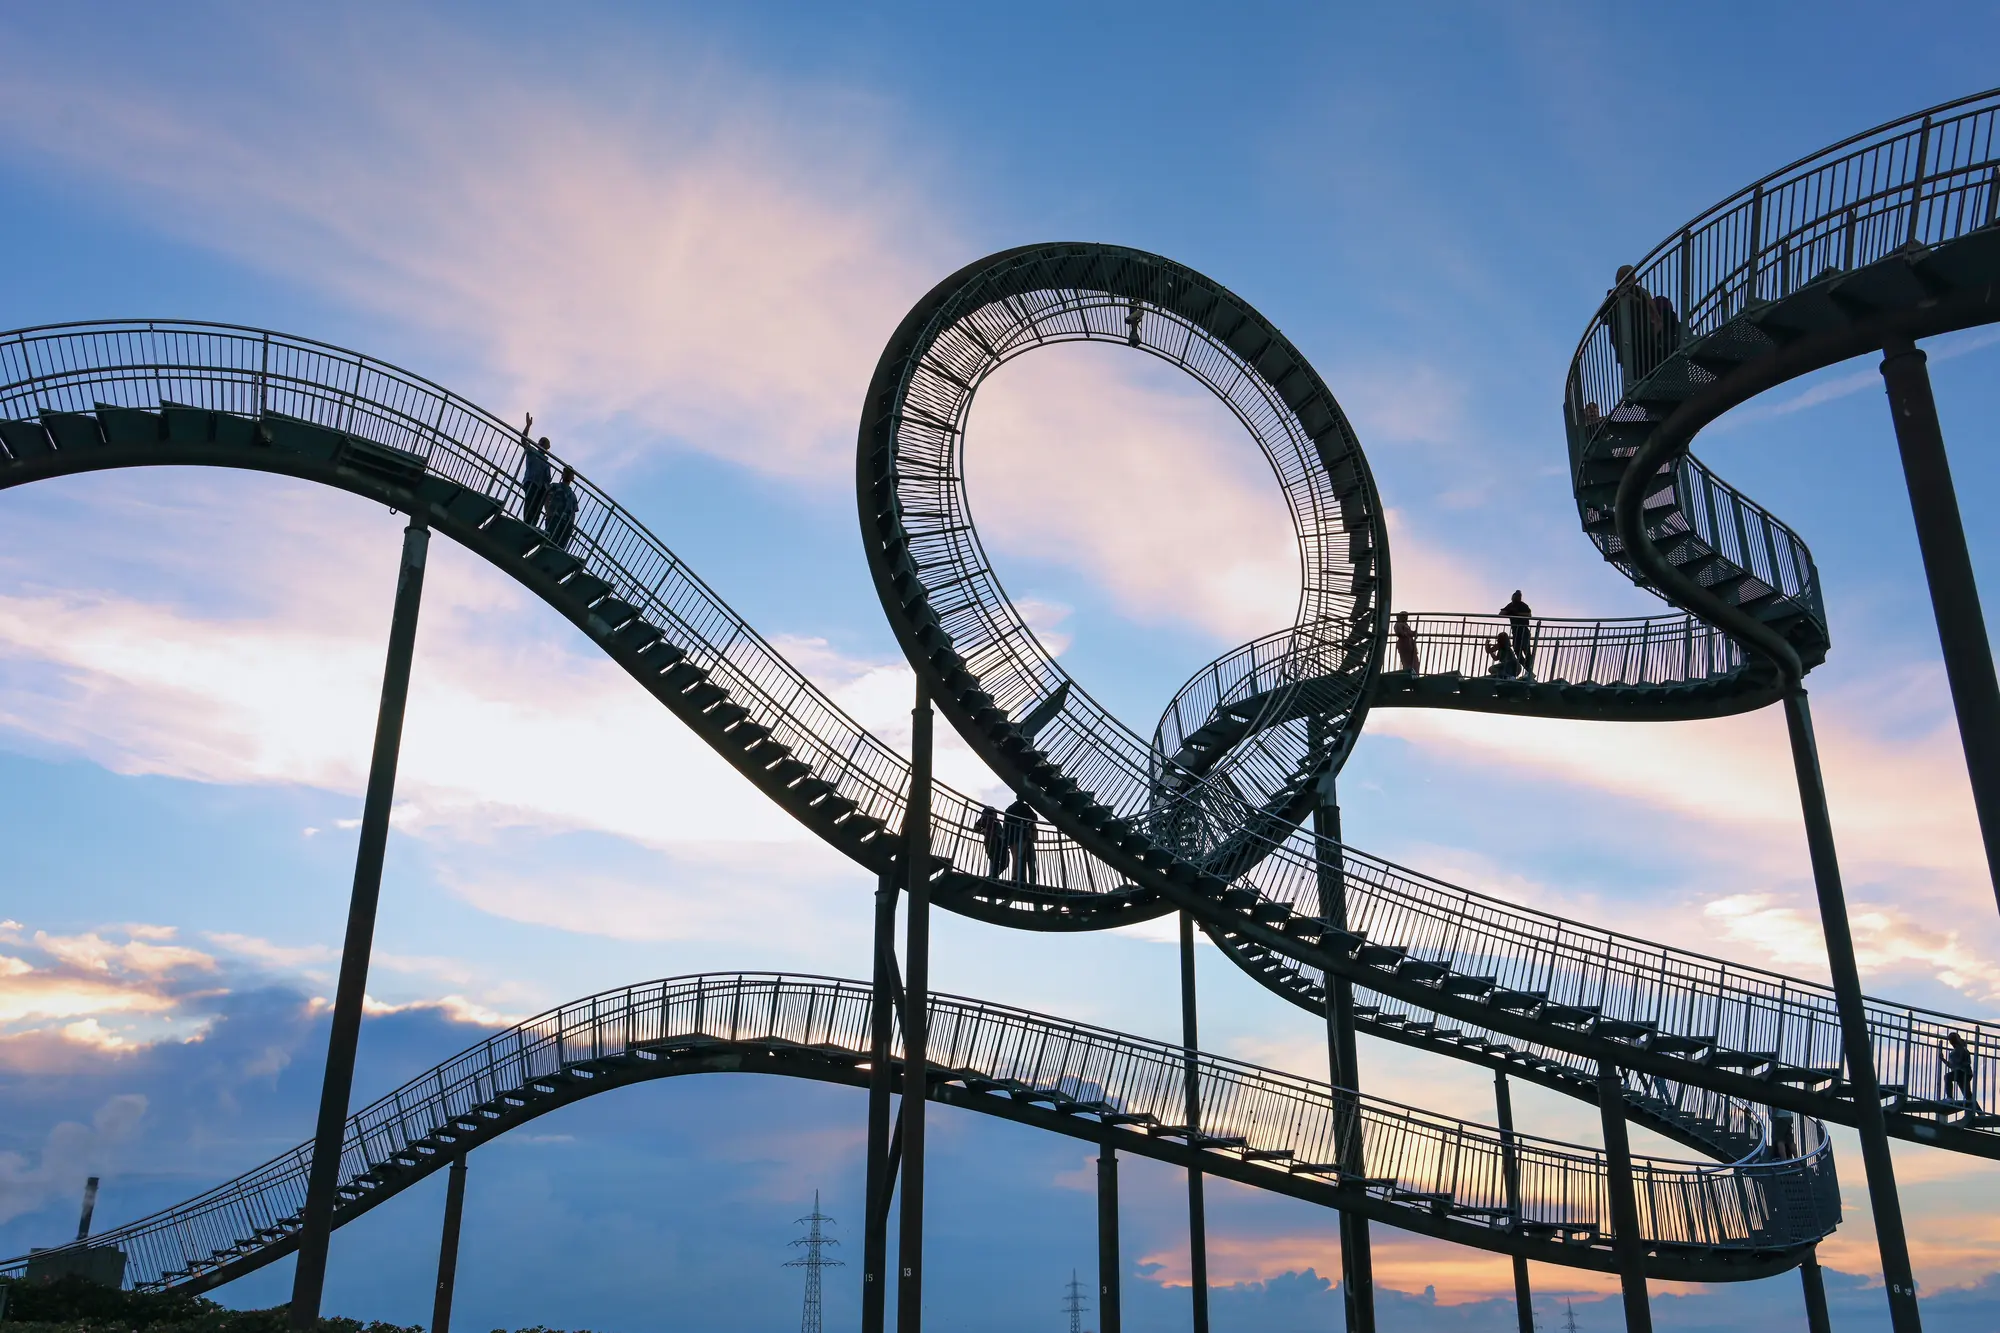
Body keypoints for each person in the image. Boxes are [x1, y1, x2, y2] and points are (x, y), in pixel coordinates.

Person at [520, 414, 551, 528]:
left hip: (541, 488)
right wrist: (528, 426)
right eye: (541, 442)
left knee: (537, 510)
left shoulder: (547, 462)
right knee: (529, 506)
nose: (542, 445)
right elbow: (523, 440)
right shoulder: (532, 451)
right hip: (531, 483)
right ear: (538, 444)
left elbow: (548, 479)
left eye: (545, 443)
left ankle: (531, 526)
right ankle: (527, 525)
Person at [1004, 795, 1039, 886]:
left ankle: (1020, 879)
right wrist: (1029, 823)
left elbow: (1006, 825)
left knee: (1019, 859)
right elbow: (1035, 818)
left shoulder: (1009, 809)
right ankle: (1032, 882)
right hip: (1025, 836)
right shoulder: (1025, 807)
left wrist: (1006, 840)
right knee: (1030, 861)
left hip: (1013, 838)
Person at [1499, 590, 1534, 679]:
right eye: (1515, 596)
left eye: (1518, 596)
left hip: (1524, 631)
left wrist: (1517, 614)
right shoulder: (1510, 605)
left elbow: (1529, 615)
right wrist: (1509, 612)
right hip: (1515, 633)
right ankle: (1529, 670)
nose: (1516, 597)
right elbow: (1501, 614)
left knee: (1526, 652)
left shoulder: (1523, 605)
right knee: (1518, 653)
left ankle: (1529, 671)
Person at [545, 464, 579, 550]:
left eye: (570, 473)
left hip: (566, 523)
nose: (567, 474)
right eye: (566, 472)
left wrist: (571, 524)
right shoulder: (555, 486)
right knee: (549, 543)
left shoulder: (573, 495)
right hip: (554, 519)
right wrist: (548, 512)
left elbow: (573, 512)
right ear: (562, 474)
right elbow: (547, 498)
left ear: (573, 478)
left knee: (560, 548)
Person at [1944, 1031, 1980, 1110]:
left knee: (1947, 1077)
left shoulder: (1961, 1049)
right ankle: (1980, 1113)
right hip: (1961, 1073)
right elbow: (1952, 1065)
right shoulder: (1955, 1051)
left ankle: (1949, 1097)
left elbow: (1959, 1062)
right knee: (1968, 1096)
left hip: (1963, 1072)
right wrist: (1943, 1059)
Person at [973, 804, 1009, 879]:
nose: (995, 814)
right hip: (991, 842)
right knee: (995, 861)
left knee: (1005, 862)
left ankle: (993, 876)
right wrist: (983, 830)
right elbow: (976, 827)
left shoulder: (997, 822)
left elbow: (1001, 832)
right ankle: (993, 877)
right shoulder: (985, 819)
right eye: (993, 812)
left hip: (1001, 843)